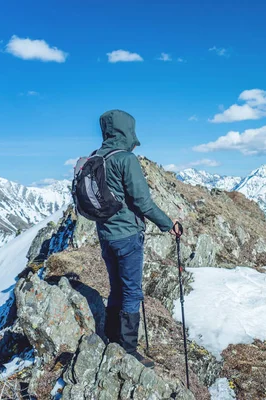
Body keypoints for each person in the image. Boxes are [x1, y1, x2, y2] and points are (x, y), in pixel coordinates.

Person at [96, 109, 179, 368]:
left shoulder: (96, 158)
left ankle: (111, 339)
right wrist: (169, 225)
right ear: (127, 130)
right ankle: (128, 351)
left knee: (116, 288)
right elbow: (142, 201)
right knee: (132, 290)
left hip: (105, 235)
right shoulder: (126, 159)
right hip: (127, 236)